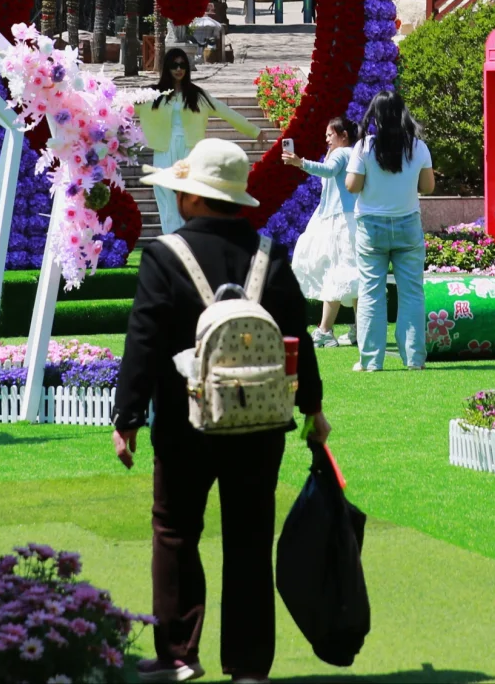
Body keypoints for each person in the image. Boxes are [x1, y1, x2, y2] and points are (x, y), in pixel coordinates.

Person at [113, 137, 332, 684]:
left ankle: (178, 654)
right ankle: (249, 666)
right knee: (250, 537)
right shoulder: (270, 254)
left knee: (175, 530)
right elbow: (295, 339)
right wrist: (314, 407)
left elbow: (143, 341)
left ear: (192, 199)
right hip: (260, 419)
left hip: (187, 419)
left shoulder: (164, 256)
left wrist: (128, 418)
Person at [346, 92, 433, 371]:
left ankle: (371, 361)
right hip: (407, 223)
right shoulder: (418, 147)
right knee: (412, 294)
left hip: (371, 226)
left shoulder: (364, 146)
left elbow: (352, 186)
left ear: (376, 115)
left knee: (371, 293)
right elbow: (428, 187)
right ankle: (414, 359)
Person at [135, 48, 267, 234]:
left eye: (182, 65)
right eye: (174, 65)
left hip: (190, 149)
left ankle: (188, 237)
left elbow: (226, 112)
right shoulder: (152, 94)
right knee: (164, 192)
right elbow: (124, 106)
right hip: (164, 148)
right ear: (167, 68)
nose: (179, 69)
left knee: (190, 192)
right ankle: (171, 238)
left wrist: (254, 131)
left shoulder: (197, 95)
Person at [281, 115, 363, 348]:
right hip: (346, 219)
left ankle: (325, 330)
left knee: (337, 273)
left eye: (330, 134)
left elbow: (327, 171)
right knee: (351, 274)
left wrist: (301, 162)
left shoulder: (340, 153)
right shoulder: (351, 153)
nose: (326, 138)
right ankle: (359, 328)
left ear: (343, 136)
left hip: (340, 222)